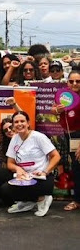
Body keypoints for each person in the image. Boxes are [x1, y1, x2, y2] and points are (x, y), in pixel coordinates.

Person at [0, 111, 61, 217]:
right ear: (13, 125)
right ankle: (28, 201)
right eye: (16, 122)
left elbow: (56, 156)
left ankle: (42, 198)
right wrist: (18, 169)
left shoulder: (38, 137)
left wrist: (45, 171)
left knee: (5, 189)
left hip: (41, 177)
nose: (19, 124)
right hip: (24, 177)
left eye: (22, 121)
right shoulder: (14, 139)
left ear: (28, 123)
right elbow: (10, 163)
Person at [52, 71, 80, 211]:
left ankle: (77, 200)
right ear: (67, 82)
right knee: (75, 168)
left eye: (78, 81)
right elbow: (53, 110)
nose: (74, 84)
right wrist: (57, 110)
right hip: (69, 137)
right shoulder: (63, 96)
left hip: (79, 137)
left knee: (78, 168)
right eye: (71, 81)